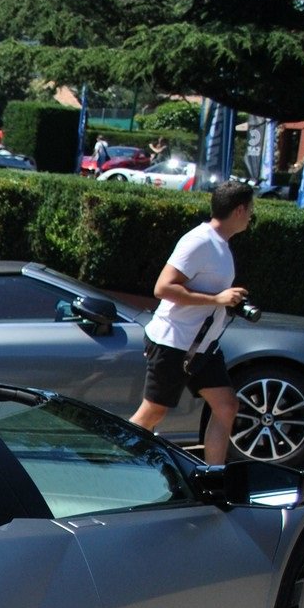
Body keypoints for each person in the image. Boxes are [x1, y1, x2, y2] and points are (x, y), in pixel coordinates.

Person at [128, 180, 255, 464]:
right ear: (239, 210)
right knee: (152, 413)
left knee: (226, 406)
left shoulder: (220, 244)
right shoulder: (199, 241)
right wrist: (217, 300)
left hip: (202, 345)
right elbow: (163, 288)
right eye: (250, 210)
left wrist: (225, 302)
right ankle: (113, 466)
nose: (250, 216)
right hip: (173, 342)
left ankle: (214, 479)